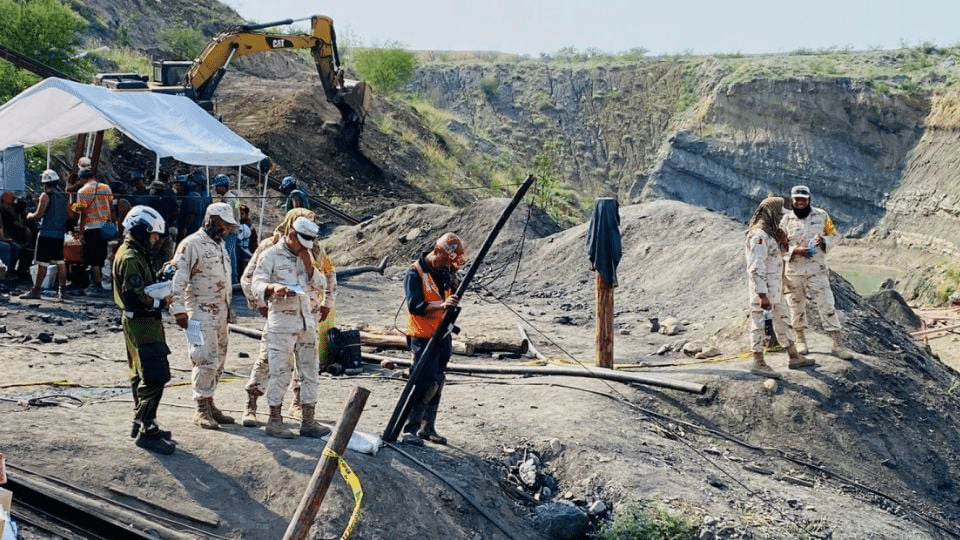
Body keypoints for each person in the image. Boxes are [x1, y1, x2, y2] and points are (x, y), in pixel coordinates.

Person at [249, 216, 328, 439]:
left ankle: (308, 420)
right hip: (281, 324)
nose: (304, 248)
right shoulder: (270, 255)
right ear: (291, 235)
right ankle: (274, 420)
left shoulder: (306, 254)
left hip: (306, 322)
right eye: (301, 243)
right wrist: (273, 287)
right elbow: (255, 284)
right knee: (280, 372)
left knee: (310, 371)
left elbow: (321, 284)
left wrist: (308, 264)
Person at [239, 208, 312, 428]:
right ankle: (251, 404)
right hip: (279, 316)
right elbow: (249, 279)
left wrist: (327, 302)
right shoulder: (269, 247)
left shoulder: (313, 248)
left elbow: (328, 274)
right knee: (268, 361)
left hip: (306, 316)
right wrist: (261, 303)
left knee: (304, 366)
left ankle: (298, 404)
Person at [169, 202, 238, 430]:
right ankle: (200, 407)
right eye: (223, 224)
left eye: (228, 226)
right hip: (197, 315)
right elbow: (178, 280)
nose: (226, 229)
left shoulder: (220, 247)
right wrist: (178, 310)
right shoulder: (191, 245)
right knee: (203, 358)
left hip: (220, 315)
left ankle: (210, 402)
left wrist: (228, 309)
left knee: (218, 361)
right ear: (211, 220)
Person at [113, 205, 175, 455]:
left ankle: (145, 422)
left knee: (141, 375)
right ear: (141, 231)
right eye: (153, 234)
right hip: (142, 323)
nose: (156, 239)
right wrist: (162, 301)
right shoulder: (130, 258)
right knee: (155, 375)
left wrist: (161, 276)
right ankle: (145, 429)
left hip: (139, 322)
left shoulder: (135, 254)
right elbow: (134, 297)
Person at [401, 232, 465, 446]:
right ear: (436, 252)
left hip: (442, 335)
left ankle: (427, 427)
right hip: (422, 336)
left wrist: (454, 280)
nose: (446, 265)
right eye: (445, 260)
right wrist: (442, 305)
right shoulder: (414, 273)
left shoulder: (444, 271)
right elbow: (415, 306)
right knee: (421, 382)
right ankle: (410, 428)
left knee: (437, 381)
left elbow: (451, 295)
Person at [781, 185, 854, 360]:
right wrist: (795, 251)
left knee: (827, 304)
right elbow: (778, 246)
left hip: (817, 270)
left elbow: (835, 235)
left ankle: (837, 344)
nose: (799, 202)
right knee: (795, 306)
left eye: (803, 199)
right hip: (794, 271)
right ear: (791, 200)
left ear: (809, 199)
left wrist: (824, 241)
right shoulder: (785, 221)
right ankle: (800, 341)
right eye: (796, 199)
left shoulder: (822, 216)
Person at [745, 197, 813, 378]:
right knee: (759, 324)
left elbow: (776, 259)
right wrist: (762, 295)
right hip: (763, 291)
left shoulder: (770, 234)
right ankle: (758, 362)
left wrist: (783, 242)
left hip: (775, 289)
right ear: (771, 214)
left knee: (783, 319)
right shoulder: (758, 236)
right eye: (779, 214)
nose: (782, 218)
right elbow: (755, 268)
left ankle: (793, 356)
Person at [21, 170, 68, 301]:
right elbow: (68, 215)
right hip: (59, 234)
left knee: (43, 263)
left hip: (46, 234)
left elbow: (38, 215)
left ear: (45, 183)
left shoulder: (45, 196)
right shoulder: (62, 197)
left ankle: (36, 290)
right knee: (60, 262)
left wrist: (29, 215)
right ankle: (62, 292)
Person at [72, 167, 114, 296]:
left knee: (93, 258)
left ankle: (96, 285)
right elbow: (111, 207)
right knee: (102, 256)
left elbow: (83, 214)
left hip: (92, 227)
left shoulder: (82, 191)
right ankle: (100, 282)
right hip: (106, 227)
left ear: (82, 179)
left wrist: (81, 230)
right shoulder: (106, 187)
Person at [212, 174, 240, 284]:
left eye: (217, 186)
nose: (215, 189)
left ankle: (232, 282)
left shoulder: (229, 199)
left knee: (229, 256)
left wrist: (225, 232)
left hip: (230, 231)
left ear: (223, 187)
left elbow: (231, 217)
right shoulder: (231, 197)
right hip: (232, 230)